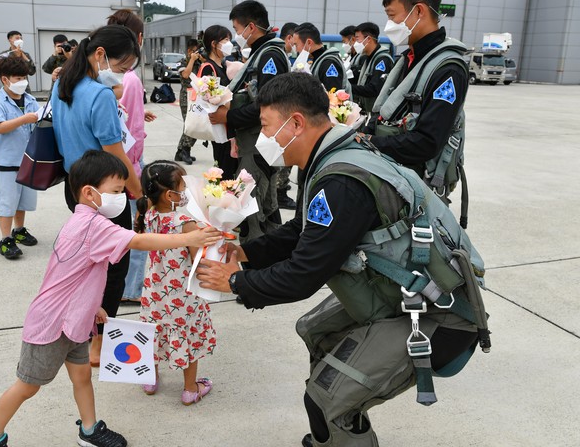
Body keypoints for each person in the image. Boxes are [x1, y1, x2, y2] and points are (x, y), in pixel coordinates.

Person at [196, 73, 485, 447]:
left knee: (324, 400)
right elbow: (303, 231)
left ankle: (338, 421)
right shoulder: (337, 153)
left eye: (266, 127)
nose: (264, 138)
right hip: (406, 293)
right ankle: (341, 431)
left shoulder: (341, 180)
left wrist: (235, 282)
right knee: (317, 331)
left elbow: (304, 273)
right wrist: (248, 254)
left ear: (296, 123)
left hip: (438, 314)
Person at [0, 150, 222, 447]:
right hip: (51, 325)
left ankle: (89, 431)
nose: (121, 197)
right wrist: (189, 238)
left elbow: (73, 273)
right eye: (116, 191)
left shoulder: (81, 220)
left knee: (82, 378)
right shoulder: (94, 225)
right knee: (27, 387)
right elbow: (138, 241)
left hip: (76, 321)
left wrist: (94, 305)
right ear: (90, 193)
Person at [52, 24, 142, 366]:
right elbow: (115, 151)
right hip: (106, 193)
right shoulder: (100, 95)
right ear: (100, 55)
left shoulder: (64, 84)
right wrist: (136, 189)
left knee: (87, 265)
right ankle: (98, 344)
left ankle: (81, 330)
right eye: (120, 68)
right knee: (113, 268)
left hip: (74, 188)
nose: (120, 78)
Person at [361, 0, 469, 208]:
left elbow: (427, 142)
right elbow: (383, 113)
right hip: (391, 176)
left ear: (419, 11)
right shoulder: (410, 59)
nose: (389, 25)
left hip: (418, 191)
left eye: (392, 16)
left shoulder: (448, 69)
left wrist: (368, 142)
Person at [135, 160, 217, 403]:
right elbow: (196, 260)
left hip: (155, 291)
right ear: (171, 194)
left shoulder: (148, 213)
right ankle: (190, 389)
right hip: (183, 294)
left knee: (154, 332)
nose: (186, 189)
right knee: (186, 334)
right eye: (183, 185)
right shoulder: (185, 223)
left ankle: (150, 379)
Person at [208, 0, 289, 242]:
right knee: (265, 202)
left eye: (237, 29)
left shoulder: (270, 56)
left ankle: (256, 260)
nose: (236, 35)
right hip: (253, 143)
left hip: (259, 144)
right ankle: (272, 254)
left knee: (251, 206)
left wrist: (228, 116)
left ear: (251, 27)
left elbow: (266, 105)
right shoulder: (260, 54)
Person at [106, 9, 158, 304]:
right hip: (128, 166)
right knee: (136, 229)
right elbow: (130, 134)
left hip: (107, 167)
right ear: (137, 39)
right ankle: (130, 289)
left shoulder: (103, 77)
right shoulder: (130, 80)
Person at [0, 54, 41, 260]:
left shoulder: (30, 100)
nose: (22, 82)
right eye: (18, 78)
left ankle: (19, 230)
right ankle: (5, 238)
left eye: (24, 77)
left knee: (22, 200)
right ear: (5, 79)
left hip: (27, 159)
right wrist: (24, 118)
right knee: (6, 201)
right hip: (6, 162)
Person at [195, 25, 237, 181]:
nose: (229, 43)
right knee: (224, 171)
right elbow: (209, 99)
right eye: (226, 40)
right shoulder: (208, 67)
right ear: (214, 44)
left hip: (226, 126)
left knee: (229, 170)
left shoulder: (223, 66)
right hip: (219, 127)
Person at [276, 22, 298, 210]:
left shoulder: (283, 55)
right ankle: (279, 193)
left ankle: (281, 190)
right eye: (295, 41)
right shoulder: (277, 54)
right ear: (289, 37)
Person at [351, 22, 394, 113]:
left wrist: (349, 87)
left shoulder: (382, 60)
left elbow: (374, 89)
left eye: (357, 39)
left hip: (375, 113)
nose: (355, 44)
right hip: (366, 109)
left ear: (368, 39)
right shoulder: (368, 58)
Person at [292, 22, 347, 93]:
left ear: (309, 42)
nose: (296, 50)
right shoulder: (318, 60)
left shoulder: (329, 63)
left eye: (296, 45)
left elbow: (333, 96)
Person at [175, 38, 201, 165]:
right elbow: (185, 74)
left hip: (197, 96)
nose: (197, 54)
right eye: (195, 51)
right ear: (189, 51)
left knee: (193, 124)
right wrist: (192, 59)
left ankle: (180, 152)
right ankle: (186, 151)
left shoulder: (199, 63)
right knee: (190, 124)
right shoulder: (183, 62)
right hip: (186, 96)